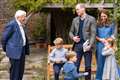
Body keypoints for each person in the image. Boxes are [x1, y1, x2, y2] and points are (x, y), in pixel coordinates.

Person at [69, 3, 96, 80]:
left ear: (83, 9)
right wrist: (73, 37)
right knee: (75, 66)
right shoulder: (75, 20)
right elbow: (70, 32)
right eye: (76, 9)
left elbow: (93, 34)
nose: (76, 11)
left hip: (87, 46)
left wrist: (90, 45)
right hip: (77, 46)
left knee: (88, 66)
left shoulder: (91, 19)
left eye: (77, 9)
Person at [1, 10, 29, 80]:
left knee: (20, 70)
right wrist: (7, 49)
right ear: (18, 17)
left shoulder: (21, 24)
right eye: (24, 16)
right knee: (15, 72)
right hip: (14, 52)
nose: (25, 18)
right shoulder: (12, 24)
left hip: (22, 50)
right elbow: (4, 38)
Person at [96, 9, 117, 80]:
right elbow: (94, 35)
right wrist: (100, 39)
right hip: (100, 45)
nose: (103, 18)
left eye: (104, 16)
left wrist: (109, 40)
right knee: (100, 63)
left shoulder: (111, 24)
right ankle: (99, 78)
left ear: (107, 16)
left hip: (109, 45)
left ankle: (109, 77)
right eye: (101, 16)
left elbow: (114, 35)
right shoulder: (97, 24)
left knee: (110, 63)